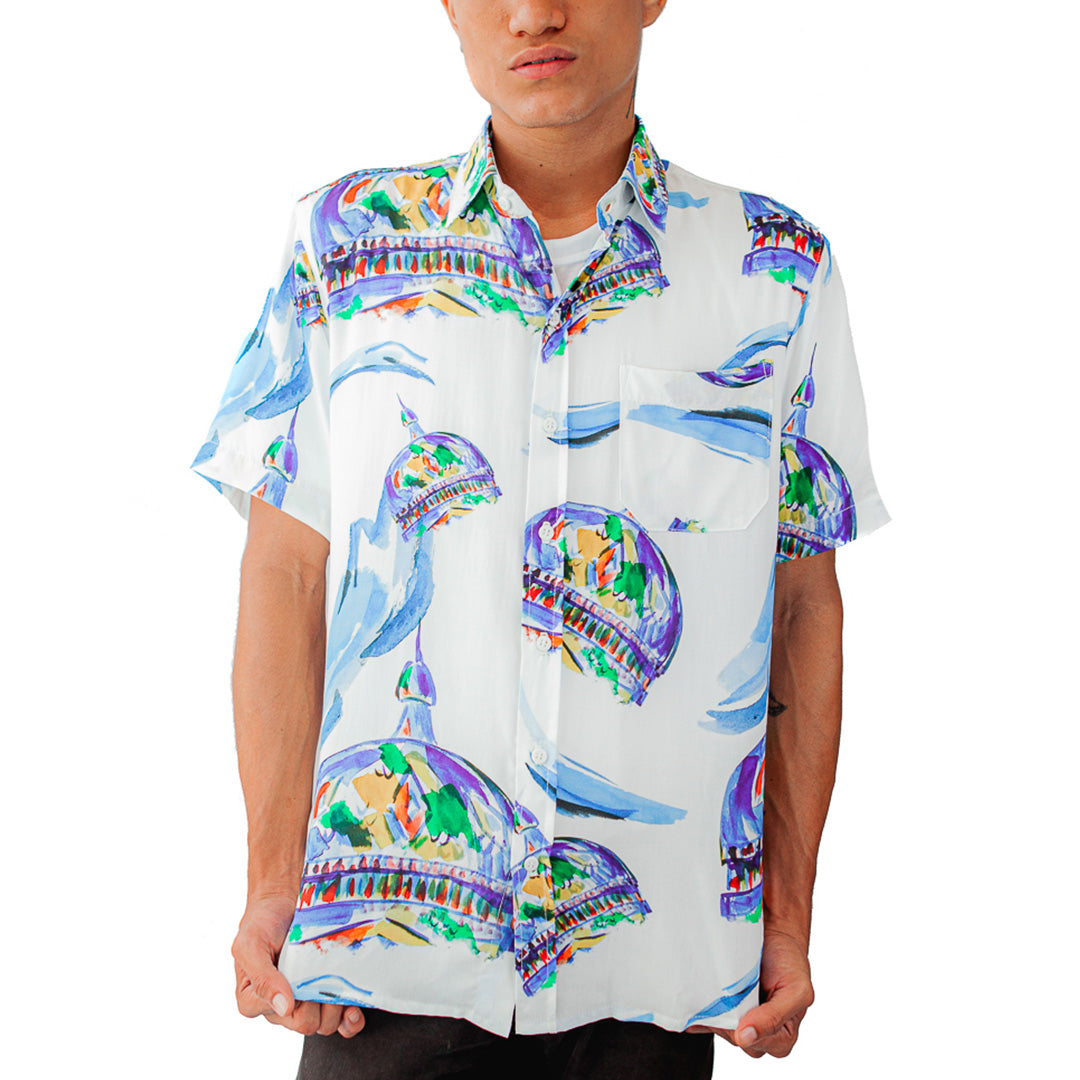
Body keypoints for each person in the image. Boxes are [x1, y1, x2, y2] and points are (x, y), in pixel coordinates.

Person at [190, 1, 889, 1076]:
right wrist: (275, 881)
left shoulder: (778, 271)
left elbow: (801, 608)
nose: (533, 14)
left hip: (658, 987)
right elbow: (287, 572)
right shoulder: (344, 244)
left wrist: (786, 918)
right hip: (382, 964)